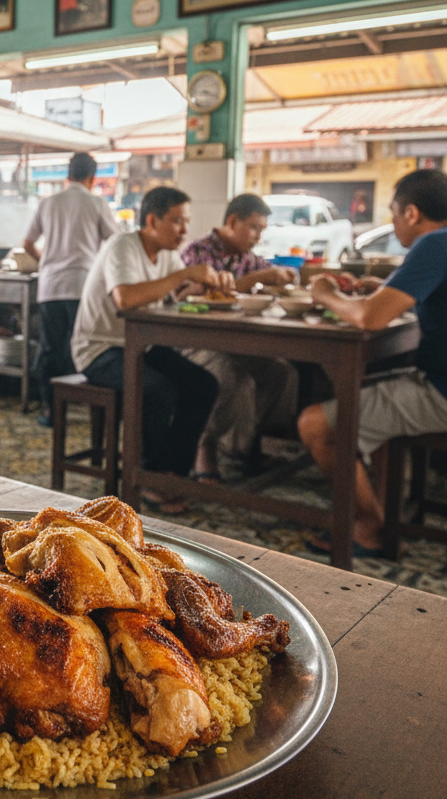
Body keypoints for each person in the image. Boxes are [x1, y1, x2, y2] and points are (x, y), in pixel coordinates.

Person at [299, 170, 447, 556]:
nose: (393, 223)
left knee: (316, 425)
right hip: (436, 380)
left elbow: (369, 318)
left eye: (394, 213)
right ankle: (383, 512)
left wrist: (324, 292)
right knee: (370, 390)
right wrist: (379, 291)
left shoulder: (435, 243)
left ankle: (368, 526)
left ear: (411, 213)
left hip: (441, 393)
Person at [70, 186, 223, 515]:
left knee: (203, 384)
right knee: (157, 390)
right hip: (99, 349)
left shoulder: (167, 254)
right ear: (152, 221)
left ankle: (172, 474)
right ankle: (147, 476)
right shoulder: (122, 245)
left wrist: (201, 285)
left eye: (186, 222)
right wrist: (184, 274)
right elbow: (126, 298)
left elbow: (173, 294)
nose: (184, 230)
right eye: (177, 221)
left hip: (142, 346)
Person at [181, 193, 298, 479]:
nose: (258, 236)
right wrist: (256, 280)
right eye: (254, 228)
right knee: (233, 377)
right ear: (233, 221)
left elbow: (268, 278)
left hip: (235, 342)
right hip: (192, 341)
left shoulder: (249, 258)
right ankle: (205, 446)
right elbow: (205, 295)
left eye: (262, 230)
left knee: (281, 373)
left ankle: (243, 445)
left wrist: (283, 277)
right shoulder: (198, 252)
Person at [22, 152, 118, 426]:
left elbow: (27, 243)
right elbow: (115, 242)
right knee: (83, 346)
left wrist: (46, 262)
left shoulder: (48, 203)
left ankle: (50, 409)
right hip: (83, 286)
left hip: (51, 286)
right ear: (92, 178)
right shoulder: (96, 203)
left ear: (68, 173)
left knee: (51, 348)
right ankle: (83, 403)